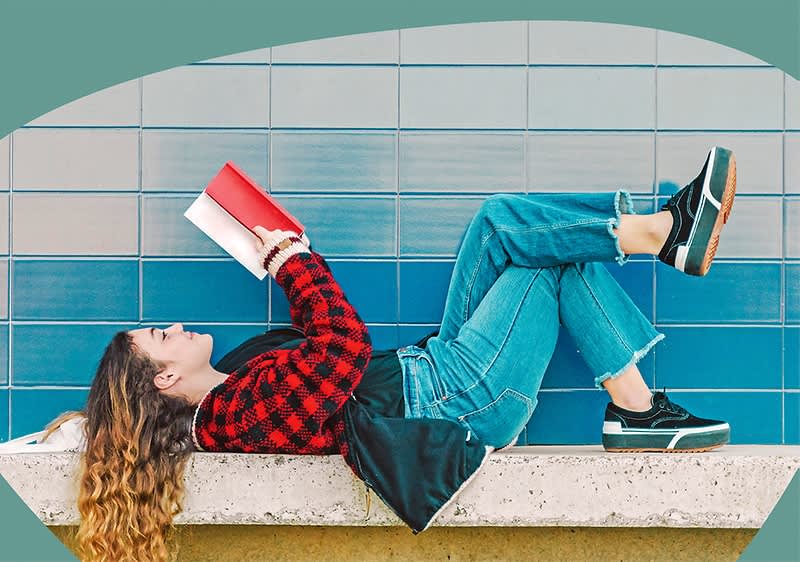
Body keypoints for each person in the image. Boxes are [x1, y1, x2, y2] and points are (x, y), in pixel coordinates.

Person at [43, 147, 736, 561]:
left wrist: (83, 425)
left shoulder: (232, 390)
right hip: (461, 398)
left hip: (437, 367)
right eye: (162, 336)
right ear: (165, 378)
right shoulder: (233, 417)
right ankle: (664, 261)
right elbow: (343, 348)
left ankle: (651, 319)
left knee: (502, 222)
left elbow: (319, 358)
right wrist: (291, 260)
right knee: (539, 265)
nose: (175, 325)